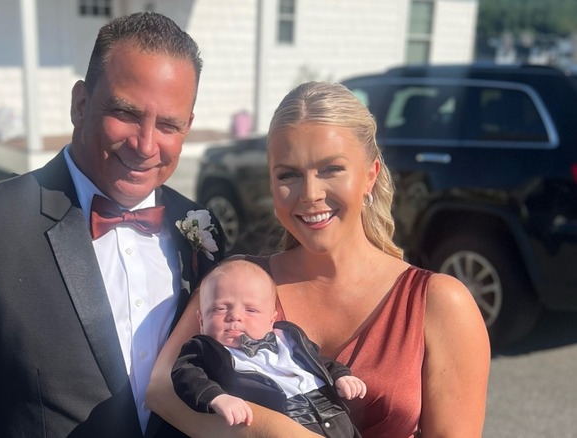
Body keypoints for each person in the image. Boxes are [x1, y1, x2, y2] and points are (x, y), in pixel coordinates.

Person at [0, 12, 225, 437]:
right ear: (80, 104)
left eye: (169, 125)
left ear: (188, 127)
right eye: (126, 112)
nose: (146, 144)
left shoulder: (199, 231)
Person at [147, 81, 490, 437]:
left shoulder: (439, 303)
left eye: (331, 169)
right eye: (289, 174)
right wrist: (278, 432)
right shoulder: (238, 280)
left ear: (370, 175)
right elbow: (161, 389)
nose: (310, 194)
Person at [171, 259, 365, 438]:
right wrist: (216, 398)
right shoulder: (205, 350)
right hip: (287, 419)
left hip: (333, 410)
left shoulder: (289, 337)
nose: (235, 316)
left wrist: (341, 375)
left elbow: (319, 362)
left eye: (251, 310)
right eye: (220, 308)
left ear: (271, 320)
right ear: (201, 320)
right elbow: (186, 374)